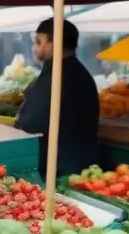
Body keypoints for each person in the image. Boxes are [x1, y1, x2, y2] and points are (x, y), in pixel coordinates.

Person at [16, 19, 100, 177]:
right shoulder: (79, 73)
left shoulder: (57, 77)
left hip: (61, 171)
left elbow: (31, 122)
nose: (34, 49)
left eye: (38, 42)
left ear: (52, 42)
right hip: (79, 165)